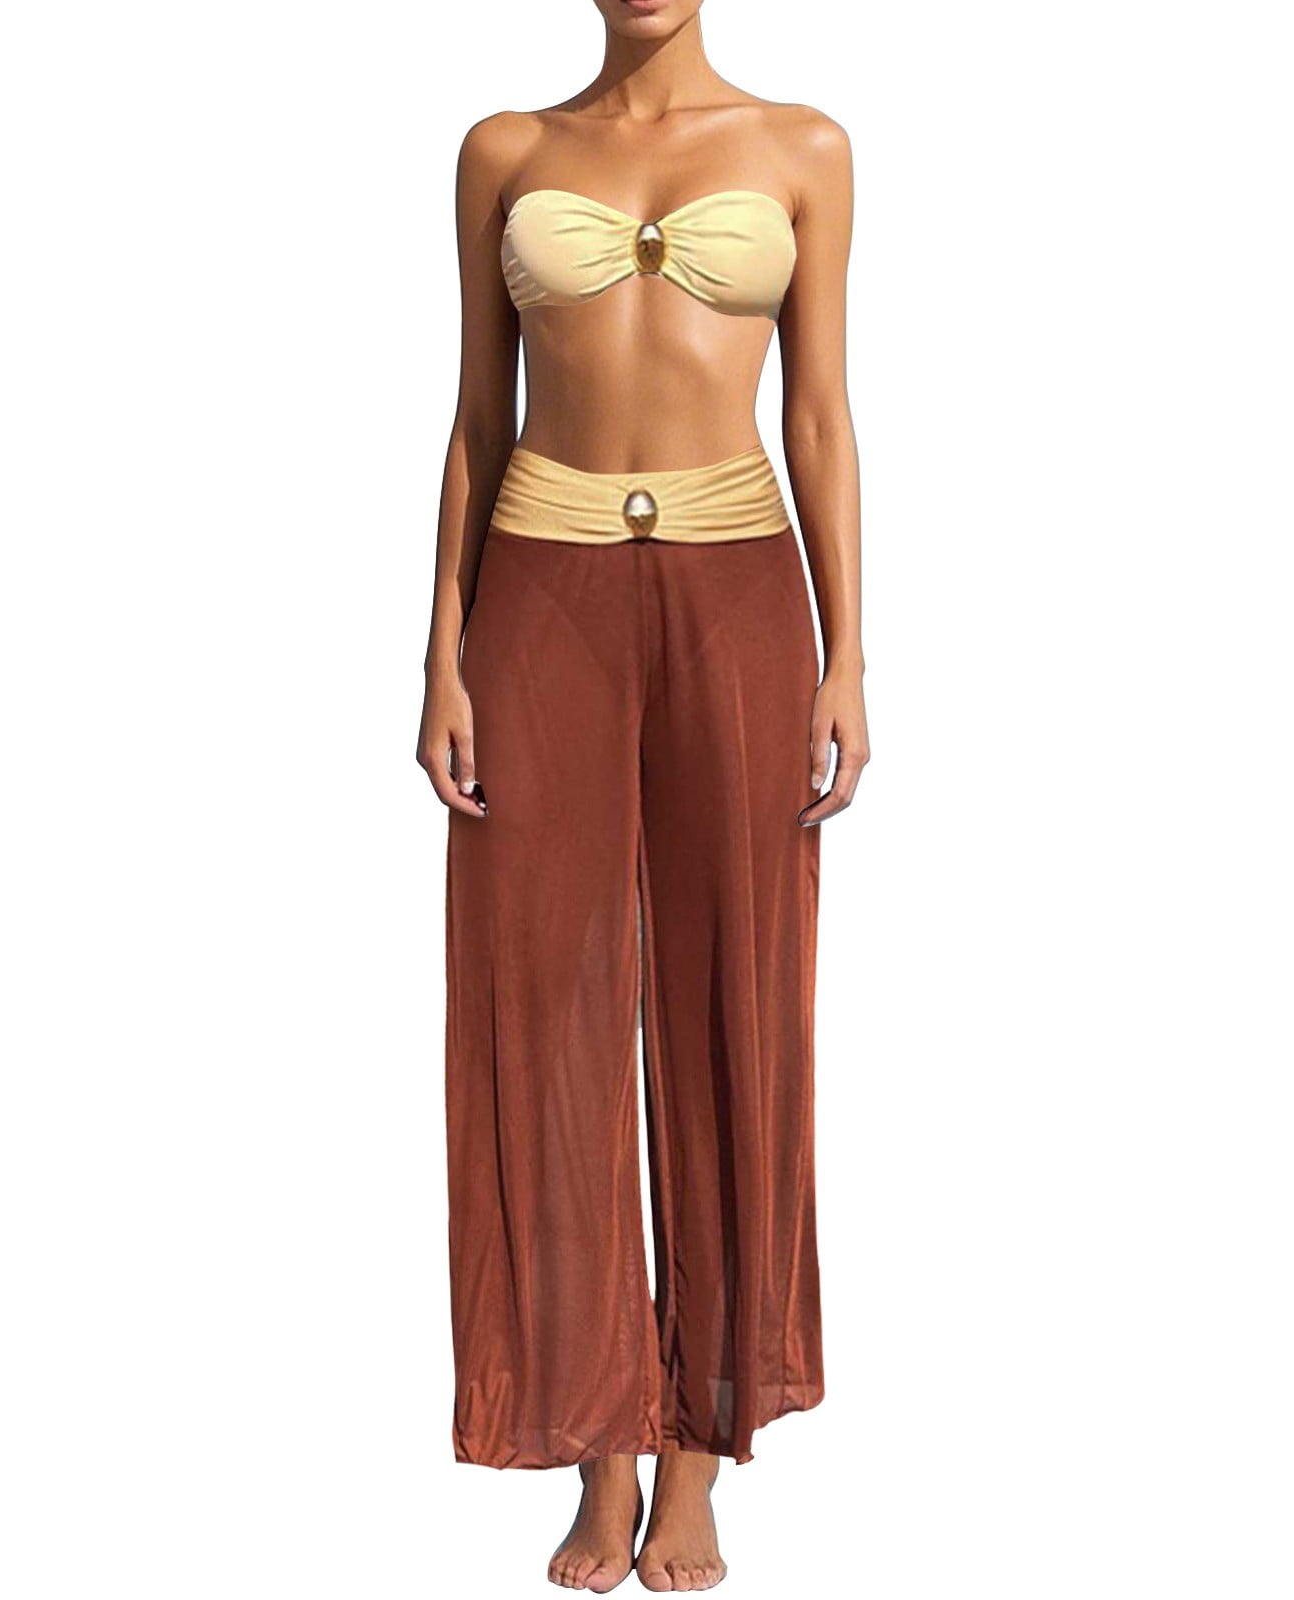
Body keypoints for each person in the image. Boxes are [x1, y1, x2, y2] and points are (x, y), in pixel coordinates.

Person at [415, 1, 867, 1590]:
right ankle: (595, 1448)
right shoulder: (505, 149)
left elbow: (820, 413)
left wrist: (850, 656)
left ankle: (697, 1461)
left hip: (741, 589)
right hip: (539, 588)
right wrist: (441, 655)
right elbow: (477, 416)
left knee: (734, 996)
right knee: (542, 1008)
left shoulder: (804, 146)